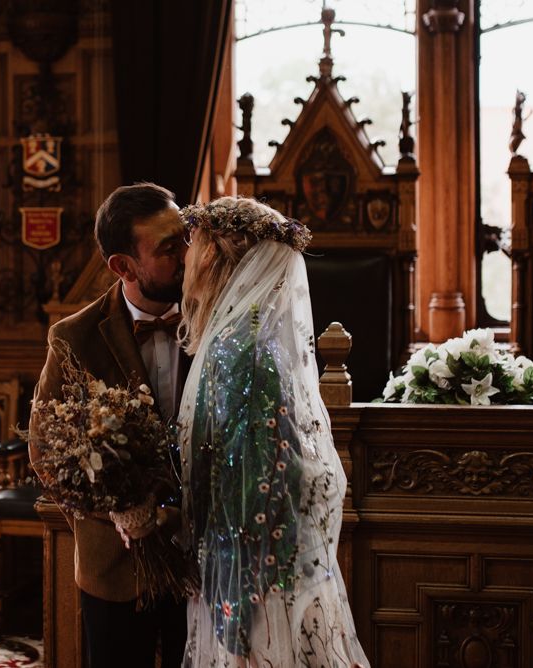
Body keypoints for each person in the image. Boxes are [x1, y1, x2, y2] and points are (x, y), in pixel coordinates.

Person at [177, 196, 369, 667]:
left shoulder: (239, 353)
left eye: (194, 246)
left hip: (253, 578)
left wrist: (236, 603)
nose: (186, 258)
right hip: (262, 568)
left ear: (216, 261)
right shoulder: (255, 342)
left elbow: (256, 481)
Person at [29, 182, 188, 668]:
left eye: (185, 237)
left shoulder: (222, 322)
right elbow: (46, 452)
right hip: (115, 569)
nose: (187, 254)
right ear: (123, 266)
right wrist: (125, 514)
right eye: (168, 249)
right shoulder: (74, 338)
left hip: (207, 559)